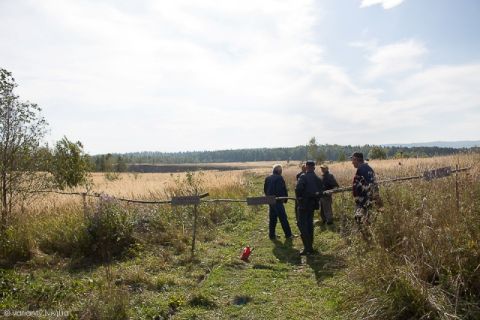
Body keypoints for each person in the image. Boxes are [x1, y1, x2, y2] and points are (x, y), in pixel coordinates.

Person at [295, 160, 324, 255]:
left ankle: (307, 247)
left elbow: (298, 189)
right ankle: (309, 247)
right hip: (312, 205)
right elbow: (321, 192)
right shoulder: (318, 178)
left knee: (302, 225)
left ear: (306, 167)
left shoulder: (303, 177)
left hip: (303, 205)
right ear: (314, 168)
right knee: (309, 225)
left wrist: (299, 199)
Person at [264, 164, 293, 240]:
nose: (281, 172)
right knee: (283, 218)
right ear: (279, 171)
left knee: (273, 218)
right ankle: (288, 235)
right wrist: (285, 199)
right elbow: (282, 190)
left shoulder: (268, 178)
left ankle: (272, 235)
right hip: (277, 201)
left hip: (270, 200)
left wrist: (268, 198)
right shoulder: (280, 178)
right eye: (281, 171)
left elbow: (265, 190)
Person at [350, 152, 379, 224]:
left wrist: (363, 200)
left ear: (356, 159)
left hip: (363, 200)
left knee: (359, 219)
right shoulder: (367, 168)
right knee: (366, 218)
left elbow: (370, 184)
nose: (352, 162)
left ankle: (364, 233)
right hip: (365, 199)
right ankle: (366, 232)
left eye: (353, 160)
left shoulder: (362, 169)